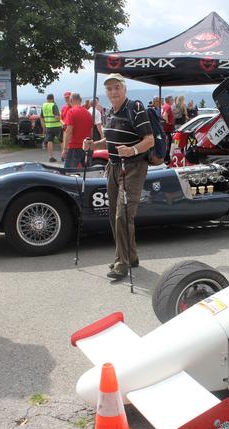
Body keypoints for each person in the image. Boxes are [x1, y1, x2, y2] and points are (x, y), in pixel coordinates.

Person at [83, 73, 154, 280]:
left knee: (122, 215)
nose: (113, 92)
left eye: (116, 87)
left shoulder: (136, 108)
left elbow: (149, 140)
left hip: (132, 167)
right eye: (109, 89)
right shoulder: (110, 112)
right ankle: (130, 256)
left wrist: (131, 151)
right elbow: (111, 140)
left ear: (124, 88)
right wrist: (93, 145)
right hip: (113, 167)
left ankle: (121, 263)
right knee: (115, 216)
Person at [61, 93, 92, 169]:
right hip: (86, 146)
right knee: (86, 172)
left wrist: (64, 149)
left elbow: (69, 131)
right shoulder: (88, 113)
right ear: (80, 100)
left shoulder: (71, 112)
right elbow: (91, 131)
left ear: (71, 100)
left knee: (68, 172)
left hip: (74, 146)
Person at [40, 93, 62, 162]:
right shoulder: (53, 105)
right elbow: (57, 117)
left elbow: (41, 118)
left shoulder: (43, 106)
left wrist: (44, 128)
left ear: (47, 99)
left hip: (48, 126)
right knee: (62, 140)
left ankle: (51, 157)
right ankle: (63, 156)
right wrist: (61, 117)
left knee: (50, 141)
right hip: (57, 126)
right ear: (53, 99)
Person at [161, 95, 175, 161]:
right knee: (168, 144)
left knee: (166, 144)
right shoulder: (168, 107)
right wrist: (168, 123)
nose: (173, 101)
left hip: (165, 129)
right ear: (169, 100)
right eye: (172, 99)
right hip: (167, 129)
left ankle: (166, 157)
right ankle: (167, 158)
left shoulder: (164, 106)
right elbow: (164, 115)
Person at [60, 91, 72, 158]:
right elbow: (60, 118)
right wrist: (63, 123)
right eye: (65, 98)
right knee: (64, 142)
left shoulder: (73, 107)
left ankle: (68, 156)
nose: (67, 99)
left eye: (68, 97)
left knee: (70, 144)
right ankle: (64, 155)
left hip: (72, 129)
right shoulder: (64, 108)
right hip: (65, 129)